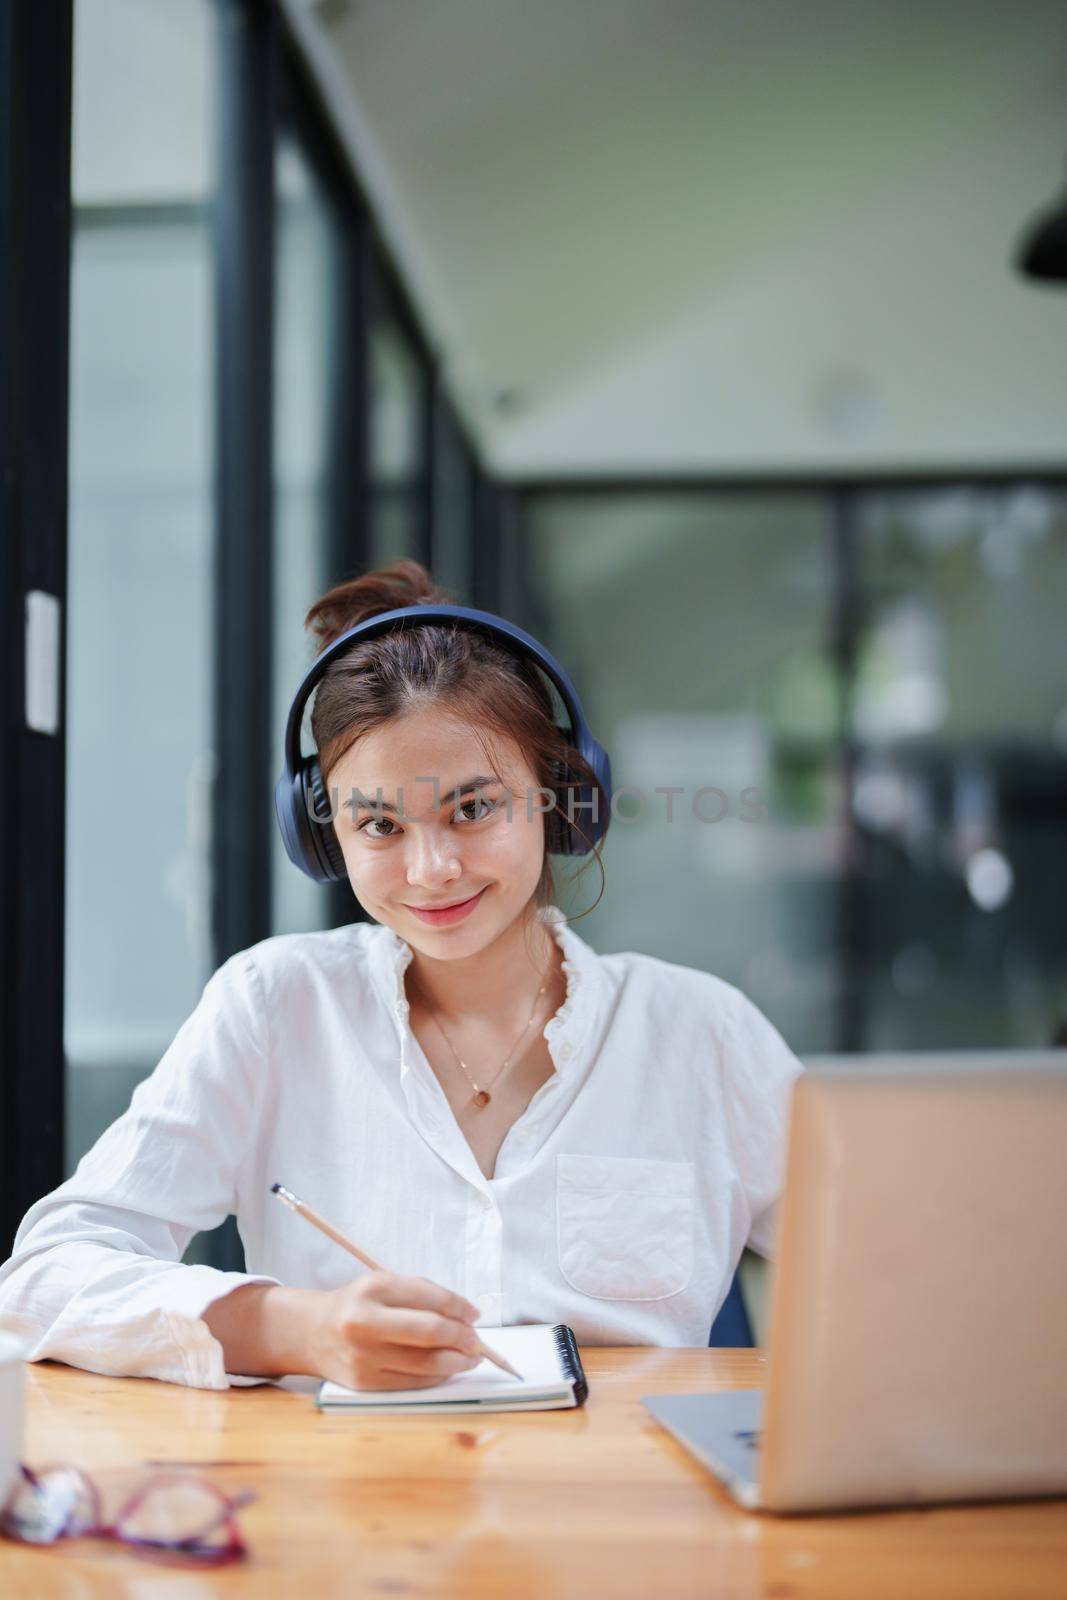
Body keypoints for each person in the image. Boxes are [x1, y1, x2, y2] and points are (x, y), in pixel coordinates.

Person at [0, 560, 802, 1392]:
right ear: (326, 838)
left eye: (473, 808)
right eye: (380, 823)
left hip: (623, 1510)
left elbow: (898, 1270)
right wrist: (295, 1328)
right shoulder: (275, 1007)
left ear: (557, 795)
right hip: (354, 1509)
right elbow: (42, 1278)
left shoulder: (699, 1032)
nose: (431, 870)